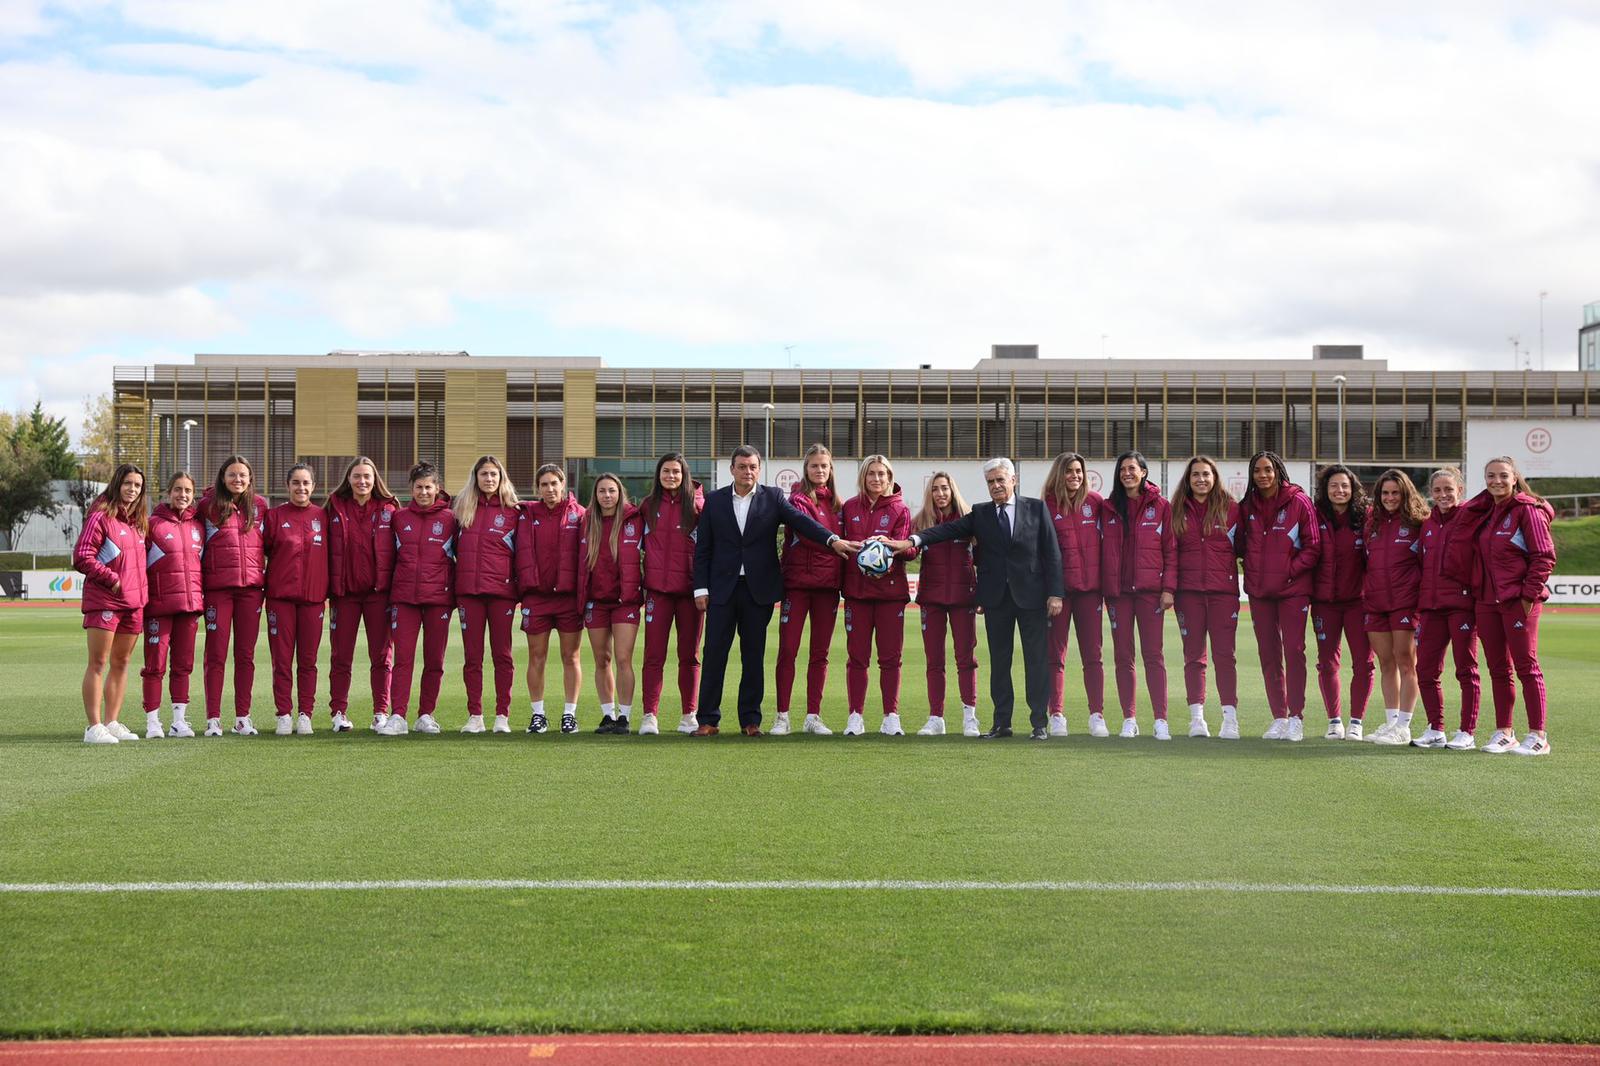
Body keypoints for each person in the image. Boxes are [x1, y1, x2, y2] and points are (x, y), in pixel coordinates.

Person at [883, 457, 1064, 740]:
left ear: (1013, 480)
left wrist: (1055, 593)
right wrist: (912, 541)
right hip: (996, 600)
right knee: (999, 662)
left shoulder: (1036, 508)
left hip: (1032, 597)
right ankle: (1001, 723)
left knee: (1036, 661)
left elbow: (1052, 553)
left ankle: (1039, 723)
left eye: (1000, 480)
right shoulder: (980, 514)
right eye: (990, 482)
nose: (995, 486)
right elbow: (946, 529)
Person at [691, 445, 853, 736]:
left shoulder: (773, 498)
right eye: (742, 466)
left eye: (753, 466)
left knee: (753, 656)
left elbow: (803, 522)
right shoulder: (714, 501)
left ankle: (750, 721)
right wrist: (700, 588)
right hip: (721, 590)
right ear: (732, 469)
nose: (748, 471)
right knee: (715, 654)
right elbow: (703, 549)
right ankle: (708, 720)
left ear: (759, 469)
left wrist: (831, 540)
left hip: (758, 591)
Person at [1442, 457, 1556, 756]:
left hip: (1516, 601)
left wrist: (1527, 597)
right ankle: (1505, 732)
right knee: (1498, 669)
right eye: (1490, 476)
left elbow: (1544, 556)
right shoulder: (1487, 512)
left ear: (1515, 478)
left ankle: (1538, 735)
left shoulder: (1527, 511)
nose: (1496, 481)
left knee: (1527, 667)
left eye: (1503, 476)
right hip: (1486, 601)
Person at [1237, 450, 1322, 741]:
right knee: (1269, 654)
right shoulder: (1247, 505)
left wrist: (1288, 571)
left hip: (1292, 591)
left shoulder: (1299, 502)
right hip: (1260, 593)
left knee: (1294, 652)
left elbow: (1313, 547)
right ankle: (1279, 717)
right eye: (1257, 471)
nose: (1263, 475)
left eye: (1268, 470)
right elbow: (1238, 545)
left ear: (1278, 472)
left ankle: (1296, 716)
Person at [1099, 452, 1176, 739]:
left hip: (1150, 593)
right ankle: (1129, 718)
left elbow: (1170, 550)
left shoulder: (1162, 507)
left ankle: (1161, 720)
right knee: (1123, 657)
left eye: (1132, 468)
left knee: (1153, 656)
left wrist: (1168, 589)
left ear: (1144, 472)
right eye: (1122, 469)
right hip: (1118, 594)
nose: (1127, 473)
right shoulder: (1107, 507)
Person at [840, 455, 915, 736]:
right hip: (857, 594)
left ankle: (890, 716)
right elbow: (841, 546)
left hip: (890, 594)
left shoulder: (900, 509)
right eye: (871, 473)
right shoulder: (848, 507)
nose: (876, 479)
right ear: (863, 476)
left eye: (882, 474)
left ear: (889, 477)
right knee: (857, 658)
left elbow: (910, 550)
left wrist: (890, 547)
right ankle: (855, 716)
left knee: (890, 658)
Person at [74, 464, 149, 744]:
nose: (132, 489)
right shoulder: (101, 516)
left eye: (138, 486)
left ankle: (111, 721)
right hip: (105, 599)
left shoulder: (138, 522)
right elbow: (82, 555)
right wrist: (112, 579)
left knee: (122, 662)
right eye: (128, 483)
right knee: (98, 662)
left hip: (134, 604)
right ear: (117, 484)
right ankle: (93, 727)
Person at [774, 444, 844, 736]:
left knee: (820, 654)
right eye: (814, 466)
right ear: (806, 469)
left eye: (824, 466)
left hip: (828, 588)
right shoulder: (797, 500)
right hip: (797, 585)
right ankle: (782, 716)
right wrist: (837, 543)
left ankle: (813, 716)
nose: (819, 470)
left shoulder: (840, 506)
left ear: (830, 470)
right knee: (788, 650)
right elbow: (809, 534)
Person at [381, 462, 456, 736]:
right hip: (405, 598)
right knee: (403, 659)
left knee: (435, 660)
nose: (424, 492)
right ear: (411, 489)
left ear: (437, 488)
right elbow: (389, 558)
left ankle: (425, 714)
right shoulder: (399, 518)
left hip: (439, 599)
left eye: (428, 487)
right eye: (419, 487)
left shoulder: (451, 519)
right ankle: (398, 715)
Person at [1170, 455, 1241, 740]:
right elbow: (1170, 554)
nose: (1201, 479)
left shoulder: (1232, 510)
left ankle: (1230, 719)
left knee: (1225, 656)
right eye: (1196, 474)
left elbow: (1246, 550)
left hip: (1223, 594)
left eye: (1206, 474)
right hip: (1188, 594)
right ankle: (1197, 719)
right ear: (1188, 480)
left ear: (1215, 478)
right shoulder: (1176, 510)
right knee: (1194, 657)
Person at [326, 456, 398, 733]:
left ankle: (381, 712)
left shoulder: (389, 509)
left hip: (379, 594)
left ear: (375, 479)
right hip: (344, 595)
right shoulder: (334, 507)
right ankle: (339, 712)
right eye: (357, 476)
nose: (362, 481)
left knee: (381, 657)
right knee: (341, 656)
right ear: (349, 479)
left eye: (367, 476)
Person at [452, 455, 522, 734]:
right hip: (469, 593)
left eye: (494, 474)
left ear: (501, 478)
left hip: (502, 594)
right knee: (473, 657)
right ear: (476, 477)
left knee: (502, 655)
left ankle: (502, 715)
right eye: (484, 474)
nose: (489, 479)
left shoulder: (515, 512)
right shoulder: (461, 509)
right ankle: (475, 715)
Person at [200, 455, 268, 736]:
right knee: (215, 655)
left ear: (250, 478)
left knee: (246, 655)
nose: (237, 479)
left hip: (251, 591)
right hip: (218, 590)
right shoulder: (207, 506)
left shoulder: (260, 506)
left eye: (242, 475)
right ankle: (213, 718)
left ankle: (243, 717)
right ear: (222, 477)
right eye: (232, 474)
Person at [1413, 467, 1480, 750]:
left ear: (1460, 491)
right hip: (1431, 607)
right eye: (1437, 490)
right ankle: (1435, 728)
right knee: (1426, 670)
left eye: (1448, 489)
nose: (1443, 495)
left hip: (1461, 606)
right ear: (1431, 493)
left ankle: (1466, 730)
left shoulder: (1470, 519)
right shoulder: (1426, 524)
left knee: (1466, 670)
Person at [1040, 452, 1106, 737]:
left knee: (1093, 656)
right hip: (1060, 594)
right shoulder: (1046, 507)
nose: (1075, 476)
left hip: (1091, 592)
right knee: (1055, 656)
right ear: (1059, 474)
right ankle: (1056, 714)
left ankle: (1097, 715)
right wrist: (1052, 592)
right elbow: (1043, 555)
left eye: (1079, 471)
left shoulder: (1096, 503)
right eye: (1069, 471)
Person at [639, 454, 705, 736]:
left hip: (690, 593)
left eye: (676, 472)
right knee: (653, 655)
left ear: (684, 474)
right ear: (659, 474)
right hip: (658, 592)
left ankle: (689, 715)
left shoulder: (700, 505)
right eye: (666, 471)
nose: (671, 476)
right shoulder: (647, 505)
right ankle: (649, 716)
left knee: (689, 656)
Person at [516, 463, 585, 734]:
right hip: (537, 598)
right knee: (537, 657)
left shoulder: (579, 514)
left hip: (568, 598)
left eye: (554, 483)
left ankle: (570, 714)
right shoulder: (526, 513)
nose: (550, 489)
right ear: (538, 488)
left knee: (571, 657)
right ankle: (538, 714)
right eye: (544, 484)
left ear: (563, 484)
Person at [1361, 470, 1427, 747]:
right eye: (1385, 493)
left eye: (1395, 493)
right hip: (1376, 602)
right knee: (1385, 663)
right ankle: (1391, 723)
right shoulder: (1372, 523)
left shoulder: (1418, 523)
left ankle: (1404, 726)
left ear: (1405, 494)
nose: (1389, 498)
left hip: (1405, 602)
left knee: (1406, 663)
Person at [262, 464, 330, 735]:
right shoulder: (274, 516)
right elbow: (263, 552)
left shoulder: (323, 516)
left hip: (313, 599)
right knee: (281, 659)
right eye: (296, 483)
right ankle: (283, 714)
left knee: (308, 660)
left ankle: (305, 714)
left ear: (313, 486)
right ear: (287, 485)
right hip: (280, 599)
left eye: (306, 483)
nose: (301, 488)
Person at [911, 471, 978, 736]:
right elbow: (909, 551)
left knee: (966, 659)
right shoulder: (920, 522)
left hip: (964, 600)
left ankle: (969, 716)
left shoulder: (970, 520)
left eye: (944, 488)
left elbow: (983, 556)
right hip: (932, 599)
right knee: (934, 661)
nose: (940, 494)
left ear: (953, 491)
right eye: (935, 489)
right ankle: (935, 717)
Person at [1310, 464, 1375, 740]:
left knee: (1364, 663)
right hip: (1324, 602)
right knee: (1327, 663)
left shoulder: (1366, 517)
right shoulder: (1315, 516)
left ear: (1353, 489)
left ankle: (1357, 721)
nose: (1340, 490)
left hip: (1358, 602)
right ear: (1325, 489)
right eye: (1334, 486)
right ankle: (1334, 721)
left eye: (1345, 486)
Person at [579, 473, 644, 734]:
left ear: (620, 493)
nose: (607, 496)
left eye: (612, 491)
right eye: (602, 491)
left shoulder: (634, 518)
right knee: (601, 659)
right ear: (595, 495)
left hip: (625, 602)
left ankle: (624, 718)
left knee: (623, 658)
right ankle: (608, 715)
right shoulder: (586, 522)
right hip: (596, 601)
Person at [141, 470, 203, 739]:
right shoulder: (151, 524)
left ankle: (179, 721)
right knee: (155, 665)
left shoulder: (198, 526)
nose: (183, 495)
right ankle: (153, 721)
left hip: (189, 607)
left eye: (188, 491)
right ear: (169, 492)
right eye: (178, 490)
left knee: (183, 665)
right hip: (159, 606)